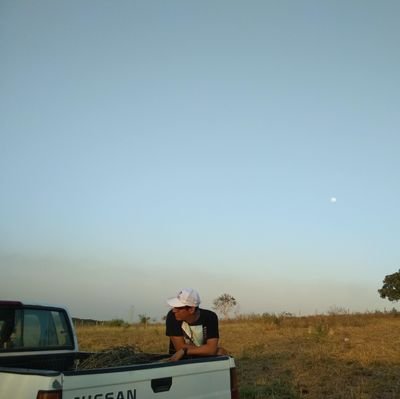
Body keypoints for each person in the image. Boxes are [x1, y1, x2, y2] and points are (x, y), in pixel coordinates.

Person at [165, 288, 227, 361]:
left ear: (191, 309)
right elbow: (179, 348)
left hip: (201, 356)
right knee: (219, 351)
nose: (174, 310)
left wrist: (184, 350)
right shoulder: (172, 316)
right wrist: (207, 349)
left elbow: (211, 349)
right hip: (179, 359)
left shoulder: (210, 317)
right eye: (174, 307)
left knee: (221, 352)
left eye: (178, 308)